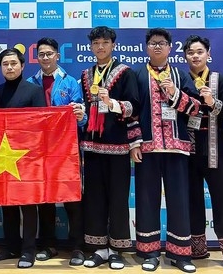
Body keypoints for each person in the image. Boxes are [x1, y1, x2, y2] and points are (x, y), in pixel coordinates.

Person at [134, 28, 201, 273]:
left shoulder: (180, 75)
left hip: (177, 149)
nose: (157, 47)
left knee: (179, 201)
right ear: (146, 47)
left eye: (162, 43)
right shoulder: (138, 75)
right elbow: (131, 112)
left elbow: (196, 108)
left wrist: (175, 93)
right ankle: (149, 252)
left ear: (170, 47)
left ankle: (180, 254)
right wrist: (134, 143)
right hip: (147, 149)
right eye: (153, 43)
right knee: (146, 200)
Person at [182, 35, 223, 273]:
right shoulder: (180, 80)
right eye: (191, 52)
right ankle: (195, 249)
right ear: (185, 56)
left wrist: (213, 102)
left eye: (199, 52)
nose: (195, 56)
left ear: (208, 54)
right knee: (190, 198)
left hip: (215, 149)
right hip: (187, 150)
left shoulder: (221, 81)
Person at [79, 26, 140, 270]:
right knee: (94, 198)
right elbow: (84, 106)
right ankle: (99, 248)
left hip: (117, 145)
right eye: (96, 43)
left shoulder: (125, 73)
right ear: (91, 47)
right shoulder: (86, 74)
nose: (100, 47)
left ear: (113, 45)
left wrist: (112, 103)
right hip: (92, 145)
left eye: (105, 42)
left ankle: (116, 249)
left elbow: (134, 107)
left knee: (117, 198)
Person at [25, 37, 86, 266]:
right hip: (38, 150)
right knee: (44, 198)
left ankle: (77, 246)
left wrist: (80, 115)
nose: (45, 58)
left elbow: (82, 118)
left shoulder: (71, 82)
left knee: (72, 198)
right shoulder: (30, 83)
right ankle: (48, 244)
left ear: (57, 56)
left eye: (49, 53)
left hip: (66, 149)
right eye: (41, 54)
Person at [0, 47, 47, 269]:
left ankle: (29, 250)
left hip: (28, 157)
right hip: (4, 155)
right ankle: (11, 246)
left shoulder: (34, 91)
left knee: (28, 205)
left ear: (22, 66)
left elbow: (41, 124)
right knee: (7, 203)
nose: (10, 67)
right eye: (5, 64)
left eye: (14, 63)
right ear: (0, 67)